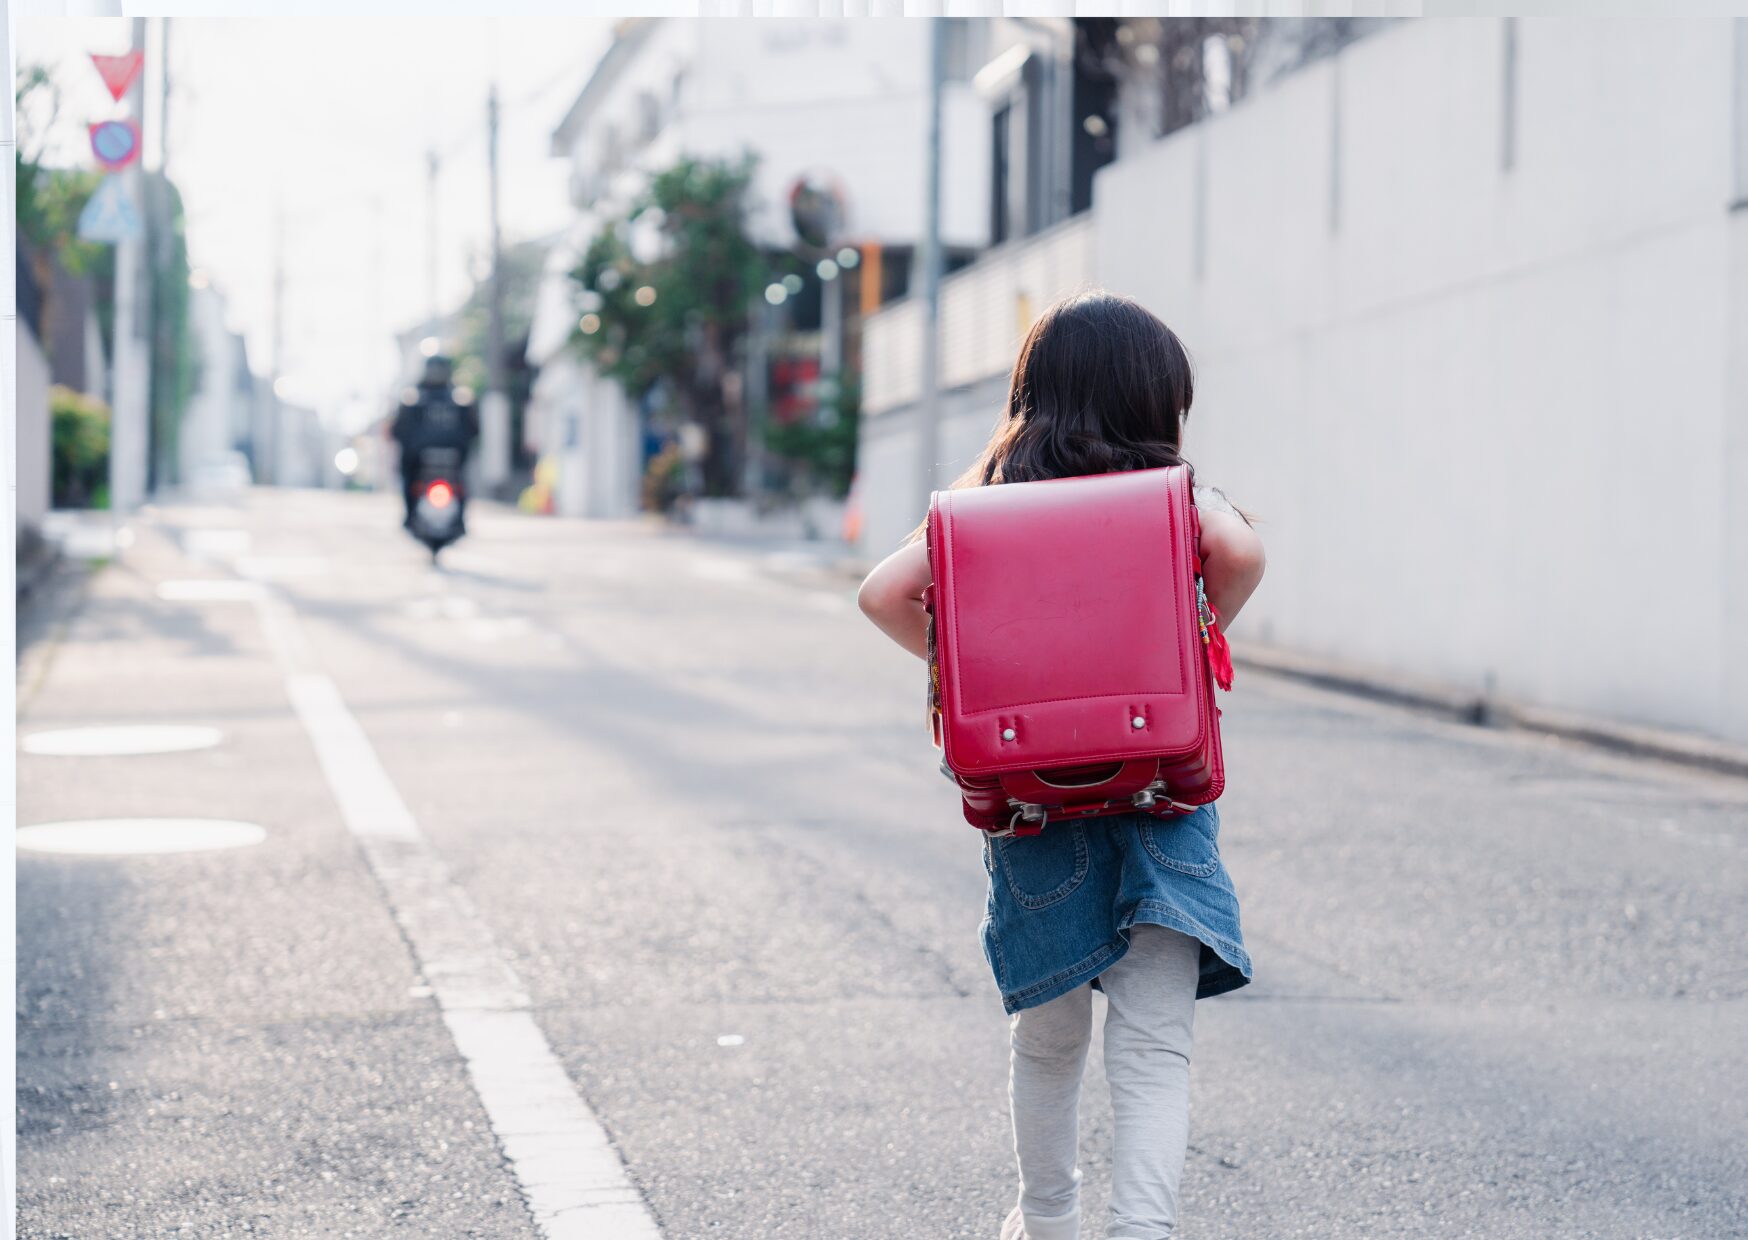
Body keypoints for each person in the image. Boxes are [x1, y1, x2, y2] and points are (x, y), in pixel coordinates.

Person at [857, 291, 1267, 1240]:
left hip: (1035, 812)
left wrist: (968, 670)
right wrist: (1191, 646)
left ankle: (1047, 1220)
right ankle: (1142, 1230)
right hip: (1164, 802)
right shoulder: (1175, 505)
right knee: (1155, 1047)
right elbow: (1241, 553)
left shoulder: (984, 512)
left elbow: (884, 593)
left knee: (1047, 1043)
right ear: (1157, 403)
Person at [391, 354, 479, 528]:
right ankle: (458, 519)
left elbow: (398, 430)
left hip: (427, 460)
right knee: (461, 479)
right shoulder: (460, 397)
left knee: (410, 477)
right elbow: (474, 430)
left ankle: (411, 516)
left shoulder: (412, 397)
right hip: (445, 459)